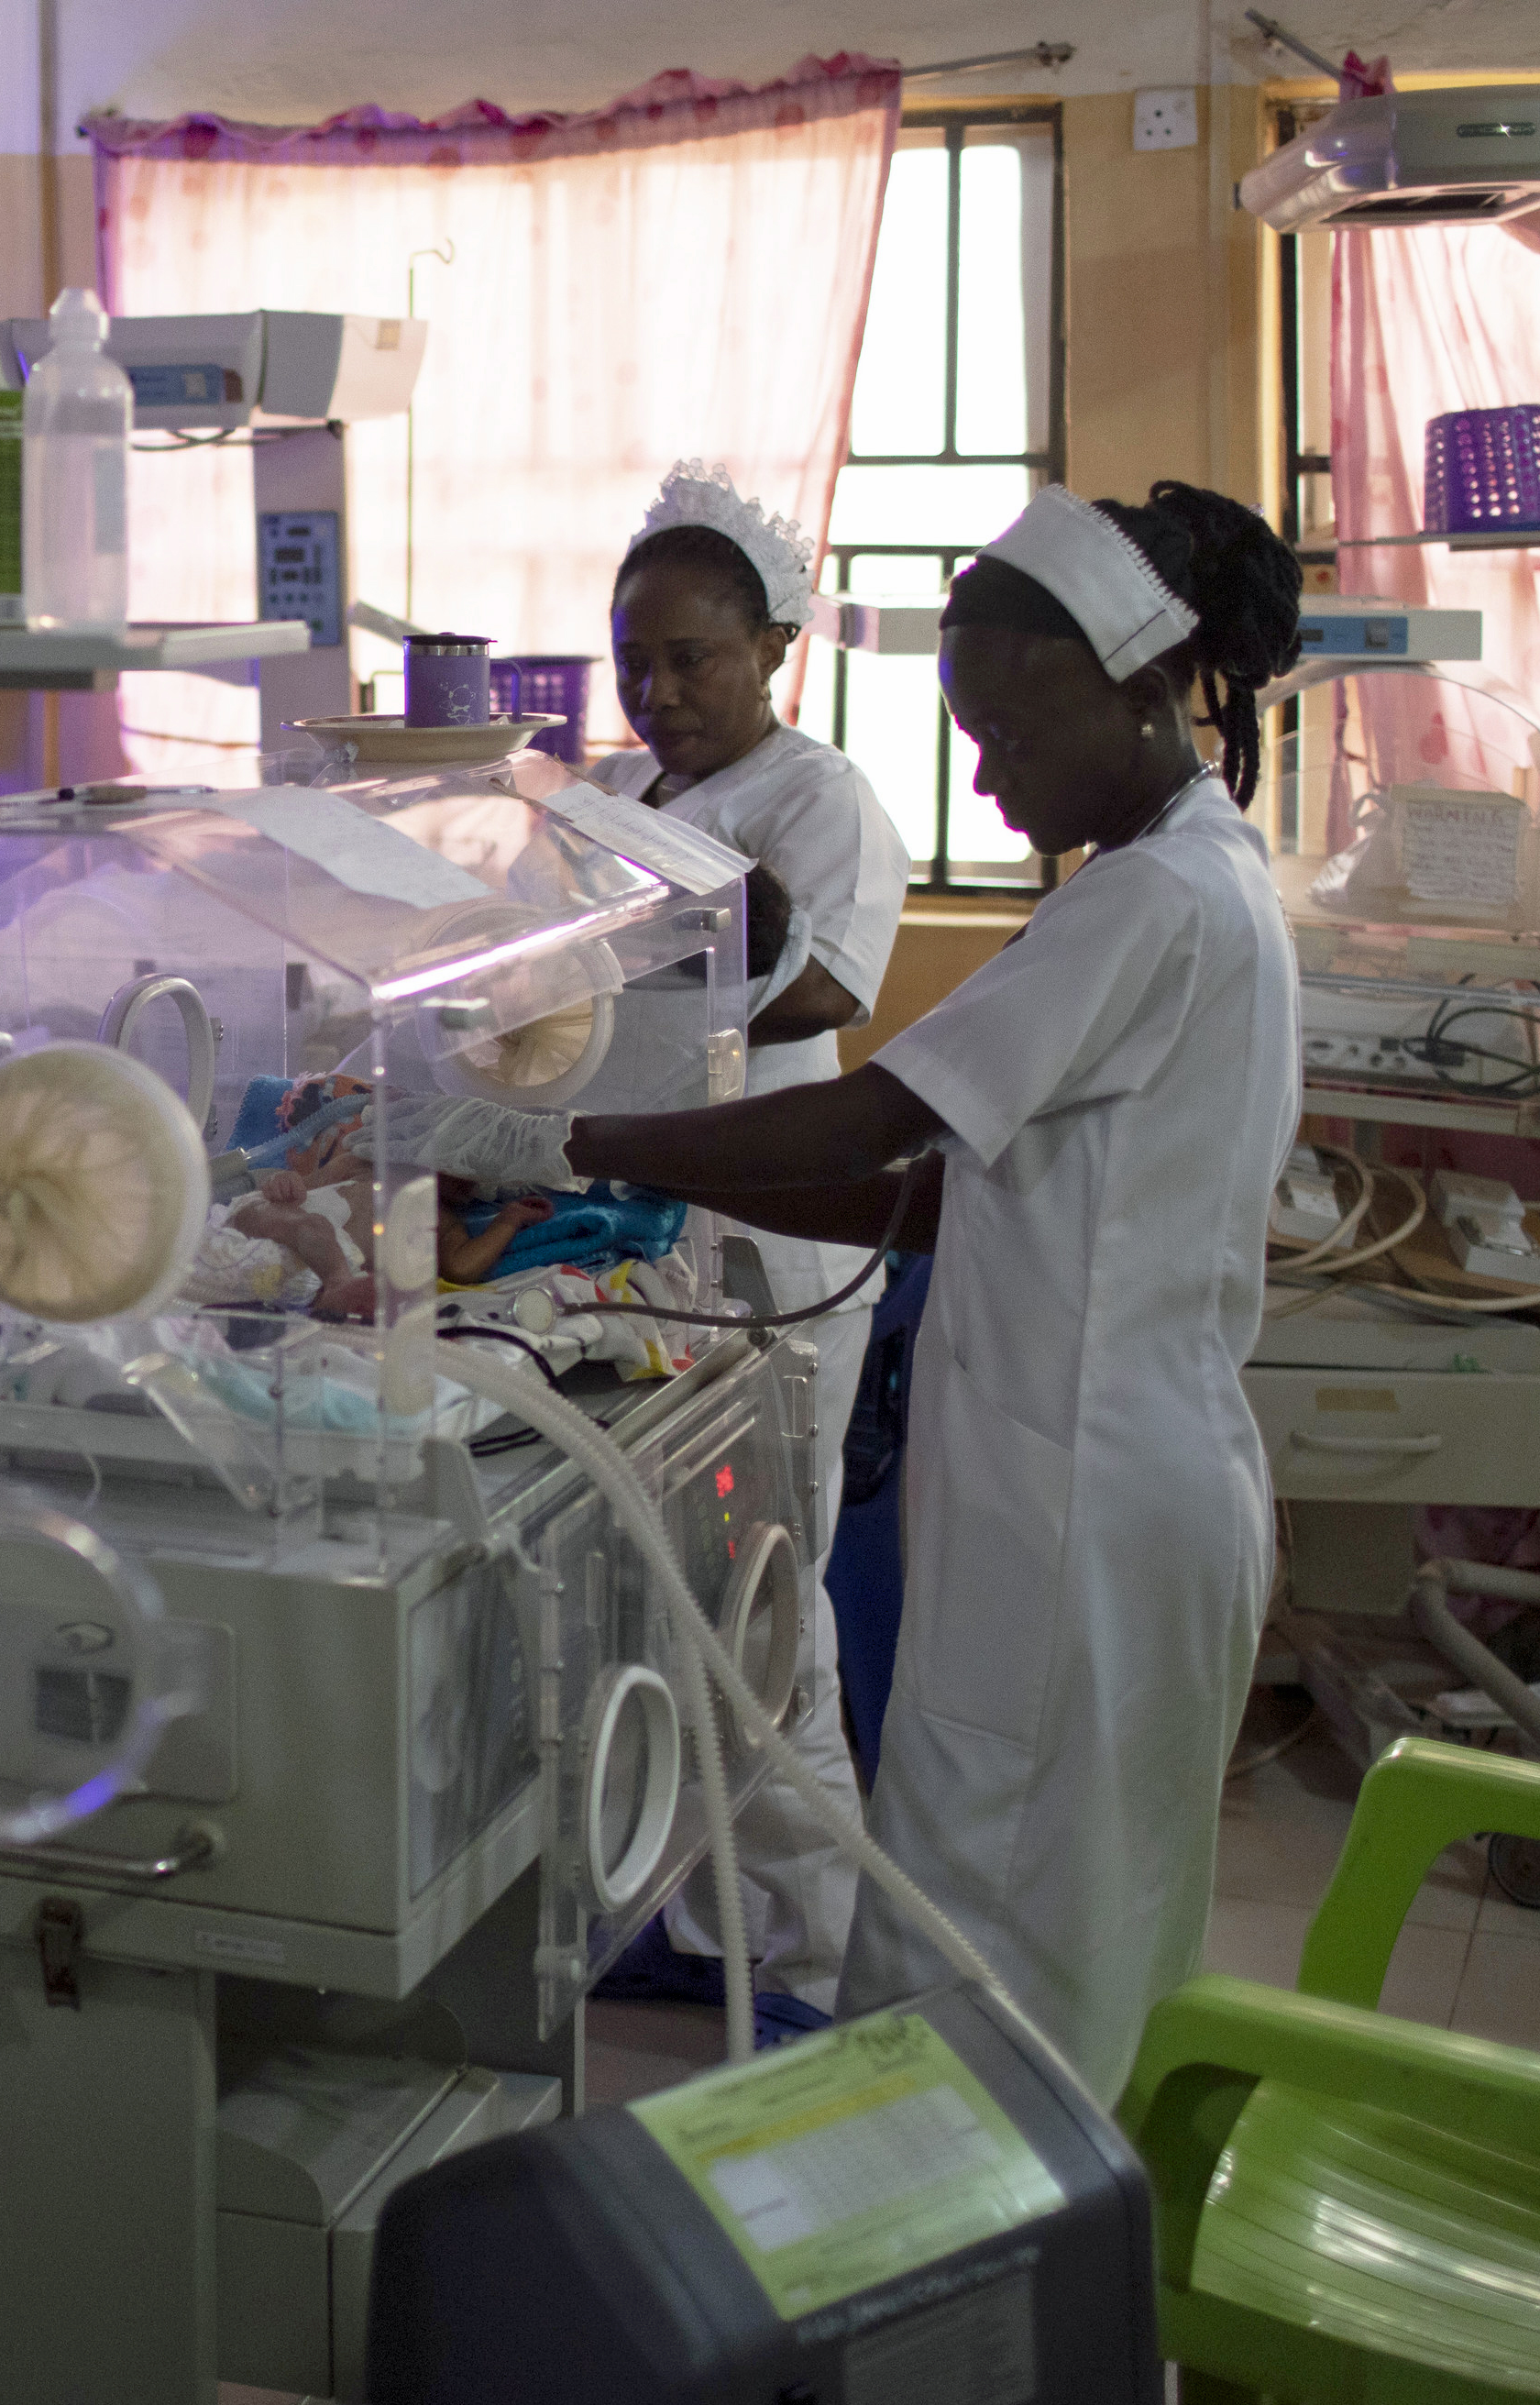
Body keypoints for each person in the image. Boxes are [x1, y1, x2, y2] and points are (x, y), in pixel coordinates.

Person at [459, 480, 1303, 2098]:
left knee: (988, 1949)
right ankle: (1046, 2265)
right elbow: (922, 1195)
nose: (984, 775)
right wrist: (632, 1175)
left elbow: (871, 1106)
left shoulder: (1148, 899)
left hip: (1082, 1502)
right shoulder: (1195, 874)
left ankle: (972, 2289)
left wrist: (558, 1136)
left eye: (1003, 727)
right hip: (1113, 1479)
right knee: (1082, 1943)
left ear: (1137, 688)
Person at [591, 465, 911, 2018]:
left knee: (770, 1601)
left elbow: (825, 992)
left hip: (775, 1252)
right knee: (678, 1596)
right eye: (632, 661)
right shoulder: (627, 796)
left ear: (772, 646)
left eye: (690, 661)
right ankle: (716, 1926)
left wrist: (624, 1022)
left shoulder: (816, 796)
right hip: (668, 1235)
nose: (656, 694)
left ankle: (815, 1950)